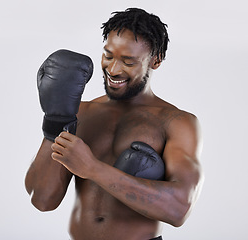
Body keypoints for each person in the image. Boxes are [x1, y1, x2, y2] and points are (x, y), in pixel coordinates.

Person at [25, 8, 204, 240]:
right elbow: (42, 199)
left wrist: (93, 168)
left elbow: (180, 208)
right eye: (108, 56)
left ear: (156, 61)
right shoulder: (82, 112)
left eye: (128, 62)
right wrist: (55, 122)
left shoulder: (176, 122)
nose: (113, 69)